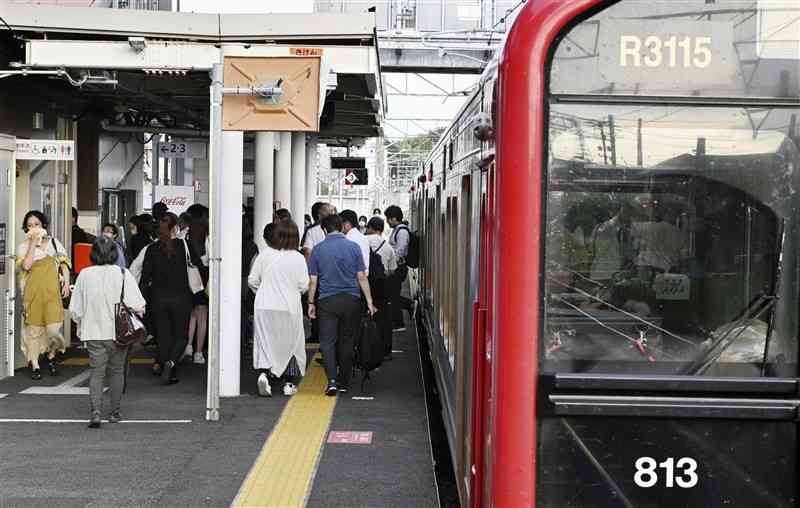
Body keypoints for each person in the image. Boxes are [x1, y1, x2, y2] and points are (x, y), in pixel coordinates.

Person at [69, 236, 146, 428]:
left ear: (93, 254)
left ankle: (95, 412)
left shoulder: (84, 275)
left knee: (97, 373)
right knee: (117, 371)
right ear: (114, 253)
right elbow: (137, 304)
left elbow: (75, 309)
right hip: (119, 333)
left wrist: (81, 323)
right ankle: (115, 412)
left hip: (93, 332)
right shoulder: (122, 273)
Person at [308, 214, 377, 395]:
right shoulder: (353, 247)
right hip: (351, 300)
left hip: (327, 302)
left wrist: (310, 302)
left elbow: (313, 281)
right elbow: (361, 277)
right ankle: (344, 381)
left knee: (327, 342)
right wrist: (369, 301)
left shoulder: (317, 250)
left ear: (324, 229)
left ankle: (331, 381)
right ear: (341, 226)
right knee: (347, 341)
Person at [139, 213, 203, 384]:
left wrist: (143, 297)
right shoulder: (185, 245)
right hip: (181, 298)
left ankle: (161, 363)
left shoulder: (152, 249)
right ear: (175, 227)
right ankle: (171, 362)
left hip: (158, 298)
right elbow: (198, 265)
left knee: (164, 334)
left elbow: (145, 276)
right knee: (181, 335)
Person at [248, 220, 309, 397]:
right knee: (291, 343)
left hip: (264, 305)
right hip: (289, 307)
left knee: (266, 342)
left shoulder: (265, 254)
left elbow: (252, 280)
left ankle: (264, 375)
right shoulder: (297, 257)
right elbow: (304, 285)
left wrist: (264, 290)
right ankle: (289, 384)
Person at [16, 211, 71, 380]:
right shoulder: (23, 247)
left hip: (52, 293)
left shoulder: (54, 243)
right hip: (31, 294)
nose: (33, 228)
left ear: (44, 226)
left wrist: (67, 284)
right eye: (30, 225)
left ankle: (52, 353)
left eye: (36, 224)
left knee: (53, 330)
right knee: (33, 331)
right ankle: (35, 364)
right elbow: (26, 265)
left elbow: (64, 264)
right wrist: (33, 243)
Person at [365, 217, 398, 359]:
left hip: (364, 284)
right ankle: (385, 351)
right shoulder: (388, 246)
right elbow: (392, 270)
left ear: (370, 228)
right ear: (381, 229)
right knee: (384, 318)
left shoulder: (362, 241)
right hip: (381, 286)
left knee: (364, 317)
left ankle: (365, 349)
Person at [183, 211, 210, 364]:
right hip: (203, 279)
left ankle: (188, 346)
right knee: (202, 318)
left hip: (189, 280)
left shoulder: (186, 236)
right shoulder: (207, 238)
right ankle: (198, 352)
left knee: (192, 315)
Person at [385, 205, 414, 331]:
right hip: (396, 267)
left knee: (393, 295)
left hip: (398, 267)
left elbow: (400, 250)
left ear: (394, 218)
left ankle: (399, 323)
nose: (387, 221)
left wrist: (391, 264)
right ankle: (399, 320)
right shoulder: (397, 229)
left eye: (388, 219)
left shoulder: (402, 231)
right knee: (392, 294)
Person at [340, 210, 370, 275]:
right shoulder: (364, 237)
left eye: (340, 223)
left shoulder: (347, 239)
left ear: (347, 224)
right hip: (364, 277)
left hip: (351, 278)